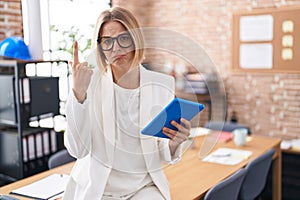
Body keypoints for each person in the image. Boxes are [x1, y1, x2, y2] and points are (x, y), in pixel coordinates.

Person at [63, 6, 191, 200]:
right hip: (99, 190)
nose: (116, 48)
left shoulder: (162, 86)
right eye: (107, 41)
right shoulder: (89, 84)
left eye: (123, 38)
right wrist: (79, 94)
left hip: (143, 188)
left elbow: (160, 150)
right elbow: (78, 150)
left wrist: (174, 143)